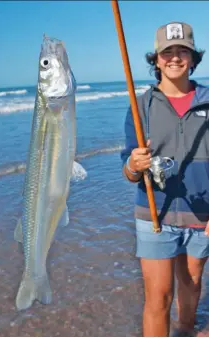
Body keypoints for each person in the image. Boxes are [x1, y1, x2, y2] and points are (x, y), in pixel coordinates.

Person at [121, 22, 209, 337]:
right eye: (167, 51)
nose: (174, 58)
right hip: (154, 213)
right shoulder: (139, 105)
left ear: (193, 58)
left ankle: (185, 330)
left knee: (191, 283)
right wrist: (133, 164)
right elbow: (129, 172)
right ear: (156, 59)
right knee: (158, 297)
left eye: (182, 50)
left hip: (202, 216)